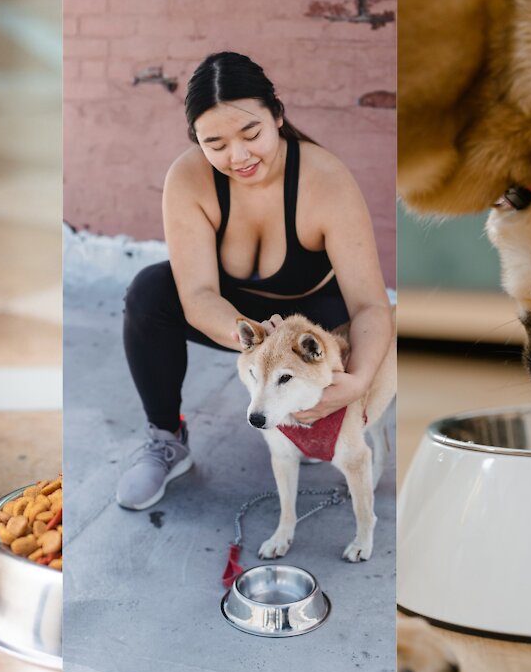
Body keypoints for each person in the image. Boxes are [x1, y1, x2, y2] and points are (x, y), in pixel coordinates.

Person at [116, 51, 392, 510]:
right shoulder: (188, 179)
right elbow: (198, 294)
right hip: (241, 322)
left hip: (317, 320)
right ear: (197, 141)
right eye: (215, 143)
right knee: (148, 293)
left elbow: (370, 305)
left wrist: (358, 380)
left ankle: (316, 418)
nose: (238, 156)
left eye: (251, 134)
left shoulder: (325, 180)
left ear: (277, 116)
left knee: (345, 346)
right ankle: (167, 438)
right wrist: (258, 342)